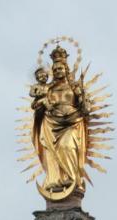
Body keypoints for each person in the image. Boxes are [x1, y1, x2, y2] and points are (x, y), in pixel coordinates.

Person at [32, 45, 90, 199]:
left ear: (66, 69)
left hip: (71, 122)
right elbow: (38, 108)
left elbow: (86, 110)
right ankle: (55, 181)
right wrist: (40, 106)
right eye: (55, 69)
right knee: (51, 153)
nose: (58, 72)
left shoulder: (74, 87)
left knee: (67, 146)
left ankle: (72, 180)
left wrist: (83, 98)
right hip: (51, 124)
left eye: (60, 69)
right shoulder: (47, 89)